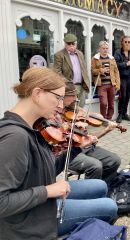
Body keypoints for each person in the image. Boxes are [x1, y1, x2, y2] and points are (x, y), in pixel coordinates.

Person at [0, 67, 117, 239]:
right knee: (110, 207)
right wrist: (48, 191)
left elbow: (48, 171)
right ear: (37, 93)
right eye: (58, 98)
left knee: (100, 186)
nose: (62, 106)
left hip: (39, 201)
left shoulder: (34, 127)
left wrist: (77, 147)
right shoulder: (15, 138)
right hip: (29, 222)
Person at [61, 83, 121, 185]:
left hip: (84, 147)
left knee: (114, 160)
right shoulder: (55, 111)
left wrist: (107, 129)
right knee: (95, 166)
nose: (76, 99)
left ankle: (103, 187)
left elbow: (87, 140)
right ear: (63, 96)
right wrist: (71, 125)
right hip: (67, 152)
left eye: (76, 95)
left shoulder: (76, 110)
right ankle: (89, 194)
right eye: (73, 96)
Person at [54, 33, 89, 107]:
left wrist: (86, 82)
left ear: (76, 43)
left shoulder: (80, 53)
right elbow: (57, 72)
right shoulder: (59, 55)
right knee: (70, 110)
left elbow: (84, 69)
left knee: (80, 109)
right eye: (69, 44)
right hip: (69, 87)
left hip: (81, 86)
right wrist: (68, 84)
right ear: (65, 44)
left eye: (73, 43)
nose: (71, 45)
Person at [92, 41, 120, 120]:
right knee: (104, 103)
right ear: (99, 49)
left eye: (106, 48)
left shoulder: (112, 58)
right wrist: (100, 70)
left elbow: (116, 71)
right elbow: (93, 71)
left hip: (112, 84)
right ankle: (103, 119)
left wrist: (117, 84)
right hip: (102, 85)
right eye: (103, 48)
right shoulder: (95, 59)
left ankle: (109, 119)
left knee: (111, 104)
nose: (105, 50)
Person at [114, 35, 130, 123]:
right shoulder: (118, 52)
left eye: (129, 42)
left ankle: (125, 114)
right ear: (122, 42)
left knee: (127, 96)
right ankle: (120, 114)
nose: (127, 43)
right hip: (121, 78)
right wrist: (127, 64)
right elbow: (116, 65)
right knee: (122, 96)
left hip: (129, 78)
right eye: (125, 42)